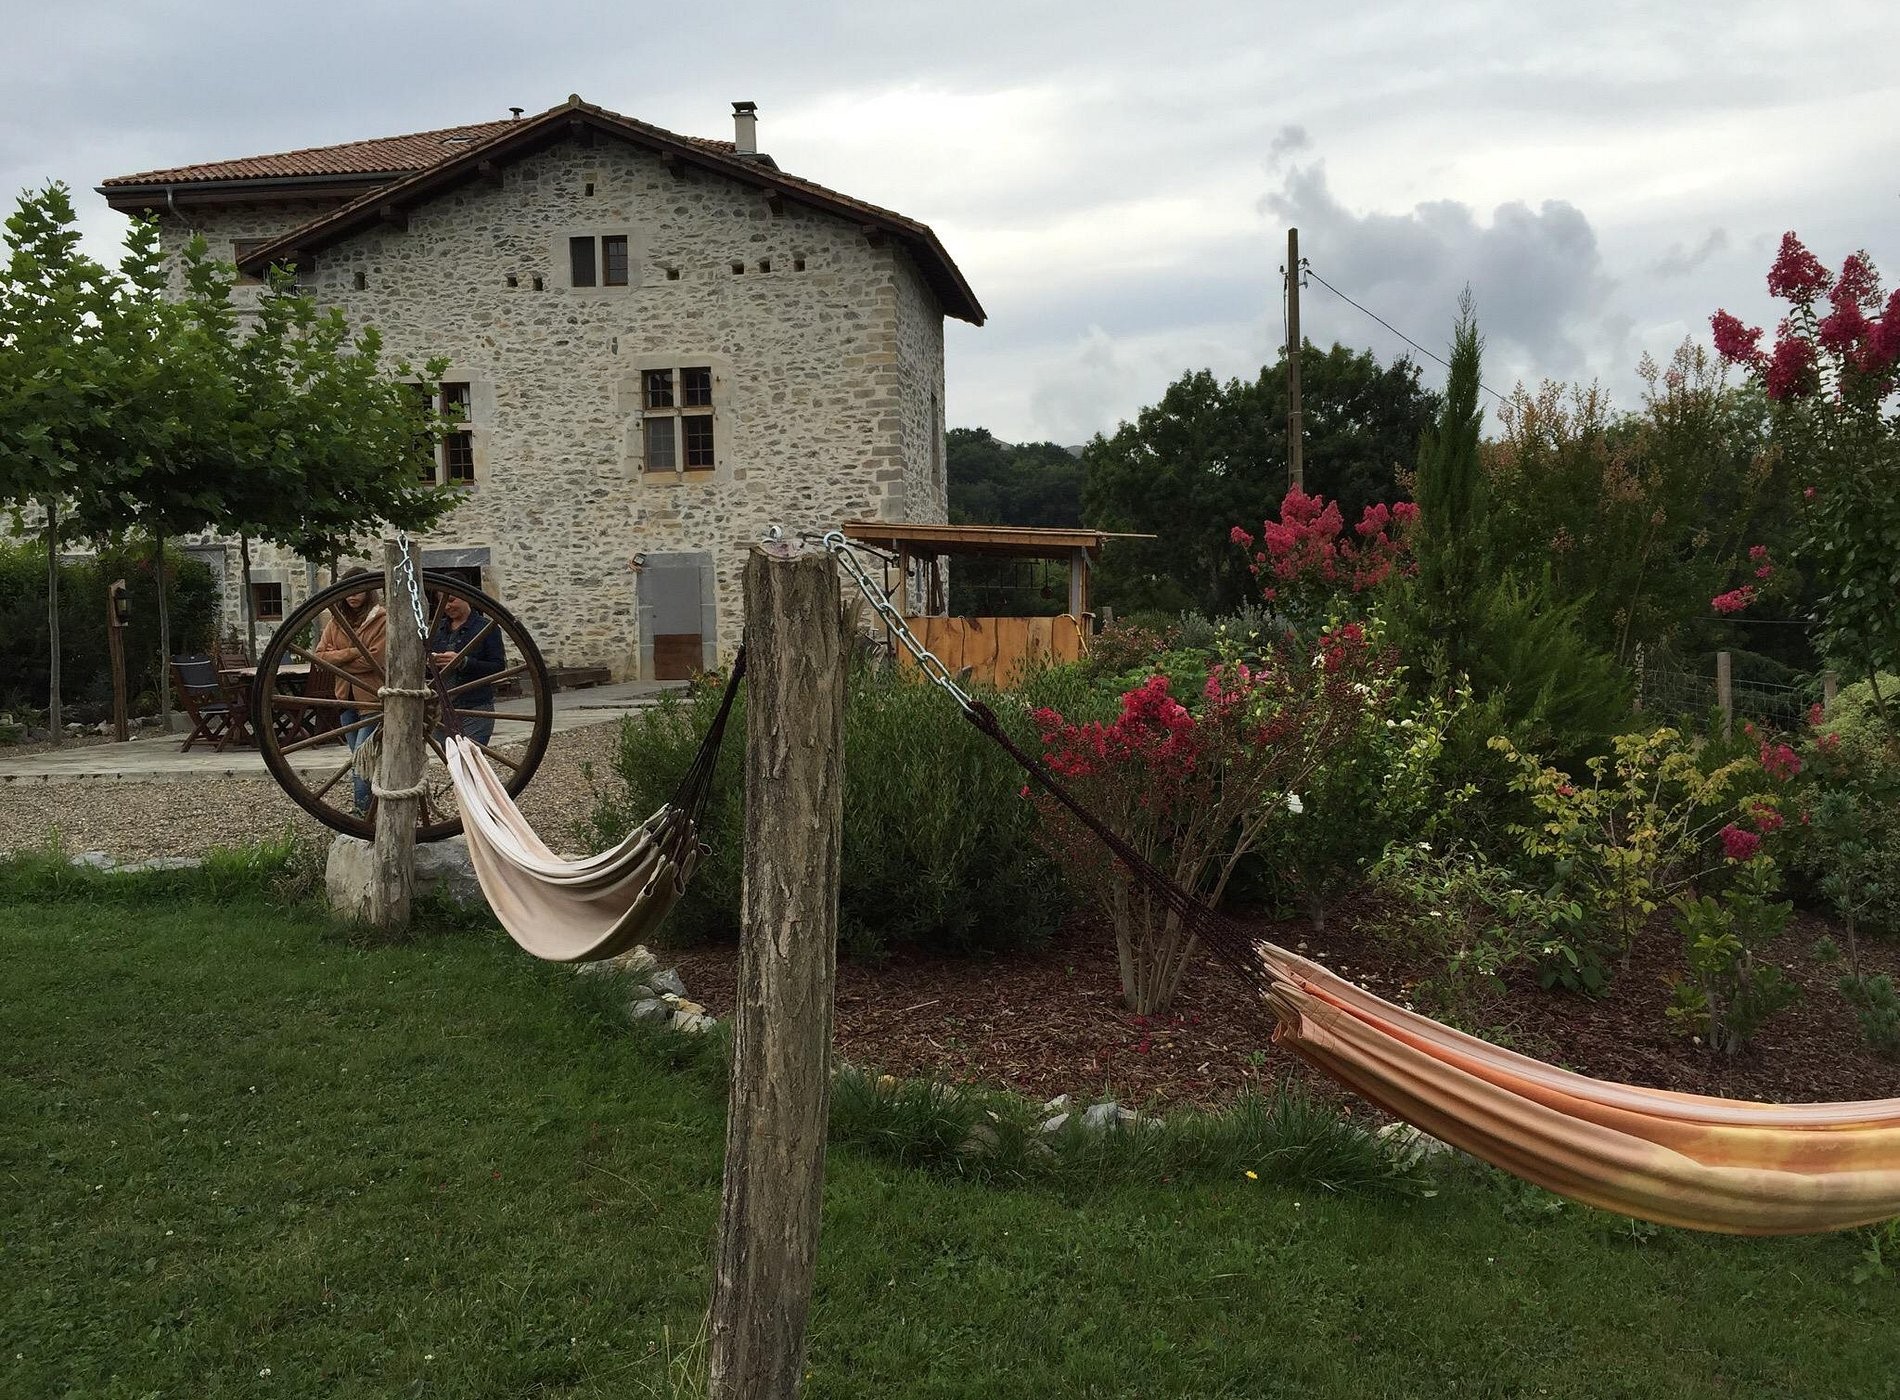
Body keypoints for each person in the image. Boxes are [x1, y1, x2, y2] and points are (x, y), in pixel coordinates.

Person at [313, 571, 387, 814]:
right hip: (346, 699)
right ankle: (373, 808)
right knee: (361, 758)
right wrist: (354, 652)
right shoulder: (336, 622)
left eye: (359, 590)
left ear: (368, 592)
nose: (353, 596)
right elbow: (320, 656)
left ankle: (362, 811)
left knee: (361, 759)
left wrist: (342, 658)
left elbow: (374, 660)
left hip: (371, 700)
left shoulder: (381, 620)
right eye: (349, 591)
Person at [428, 590, 506, 746]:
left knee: (473, 759)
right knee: (453, 764)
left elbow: (498, 667)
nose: (448, 607)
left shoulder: (485, 628)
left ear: (466, 598)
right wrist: (429, 664)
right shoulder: (437, 630)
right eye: (442, 603)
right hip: (442, 711)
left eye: (451, 600)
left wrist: (463, 662)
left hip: (475, 707)